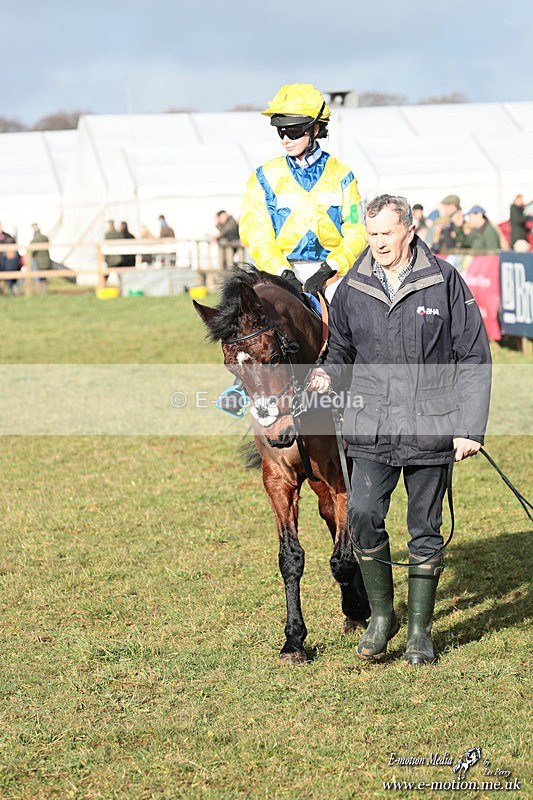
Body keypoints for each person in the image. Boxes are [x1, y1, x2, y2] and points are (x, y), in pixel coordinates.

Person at [308, 194, 491, 666]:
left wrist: (470, 428)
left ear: (409, 230)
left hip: (433, 424)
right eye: (372, 234)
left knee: (425, 529)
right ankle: (382, 617)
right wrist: (328, 372)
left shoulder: (444, 280)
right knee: (363, 514)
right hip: (371, 426)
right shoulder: (353, 285)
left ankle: (418, 632)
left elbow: (474, 354)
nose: (378, 243)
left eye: (387, 233)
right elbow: (341, 348)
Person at [239, 83, 367, 301]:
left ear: (315, 129)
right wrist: (283, 272)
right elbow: (256, 233)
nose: (286, 139)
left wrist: (331, 267)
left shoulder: (341, 174)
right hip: (279, 274)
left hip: (333, 275)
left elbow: (356, 229)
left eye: (294, 131)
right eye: (281, 131)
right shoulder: (264, 177)